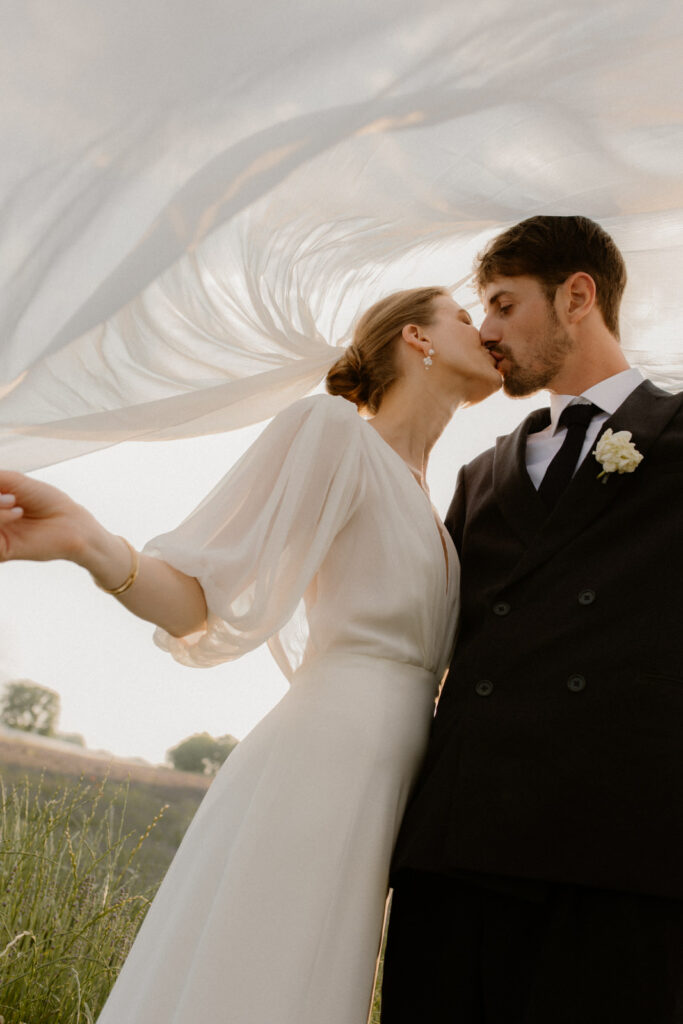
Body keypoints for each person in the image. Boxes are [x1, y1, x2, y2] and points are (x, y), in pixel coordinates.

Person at [0, 286, 501, 1023]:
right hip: (327, 757)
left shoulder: (437, 500)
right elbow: (205, 596)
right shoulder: (332, 430)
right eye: (463, 316)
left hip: (392, 772)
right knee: (265, 968)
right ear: (415, 340)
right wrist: (88, 543)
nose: (484, 330)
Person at [382, 216, 683, 1023]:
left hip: (620, 864)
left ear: (576, 296)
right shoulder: (481, 476)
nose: (486, 332)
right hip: (459, 856)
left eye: (503, 306)